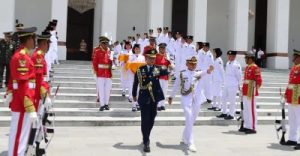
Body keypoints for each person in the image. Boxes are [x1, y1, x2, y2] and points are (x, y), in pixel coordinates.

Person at [169, 56, 214, 152]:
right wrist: (171, 96)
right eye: (191, 63)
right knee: (189, 117)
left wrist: (209, 69)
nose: (193, 65)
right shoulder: (182, 74)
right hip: (186, 98)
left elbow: (206, 72)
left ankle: (185, 137)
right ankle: (191, 142)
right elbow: (176, 85)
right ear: (186, 64)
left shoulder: (197, 73)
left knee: (192, 120)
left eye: (194, 64)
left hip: (196, 98)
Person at [6, 27, 38, 156]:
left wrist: (9, 91)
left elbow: (13, 79)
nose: (35, 41)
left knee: (21, 137)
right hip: (22, 103)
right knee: (18, 137)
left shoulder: (23, 56)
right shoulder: (21, 57)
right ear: (28, 39)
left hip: (23, 102)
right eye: (33, 39)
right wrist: (30, 107)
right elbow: (23, 84)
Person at [132, 49, 168, 153]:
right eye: (150, 58)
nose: (152, 60)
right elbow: (135, 83)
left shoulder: (156, 69)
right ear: (146, 59)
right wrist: (134, 94)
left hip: (154, 98)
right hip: (144, 98)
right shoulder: (140, 69)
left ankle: (146, 135)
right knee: (145, 119)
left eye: (153, 58)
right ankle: (146, 140)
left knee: (152, 118)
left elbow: (165, 71)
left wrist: (171, 66)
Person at [240, 52, 262, 134]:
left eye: (246, 58)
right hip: (246, 90)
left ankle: (252, 127)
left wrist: (254, 90)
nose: (245, 59)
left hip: (251, 91)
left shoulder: (255, 67)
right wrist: (243, 90)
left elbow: (259, 81)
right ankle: (247, 125)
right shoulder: (247, 68)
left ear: (250, 59)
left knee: (251, 110)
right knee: (246, 109)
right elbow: (245, 80)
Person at [216, 50, 242, 120]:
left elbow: (239, 76)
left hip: (233, 85)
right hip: (226, 84)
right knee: (223, 98)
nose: (229, 57)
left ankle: (231, 114)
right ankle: (224, 112)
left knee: (232, 100)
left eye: (231, 56)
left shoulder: (236, 65)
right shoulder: (228, 63)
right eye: (228, 56)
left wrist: (239, 84)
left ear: (234, 56)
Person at [31, 31, 51, 109]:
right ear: (44, 44)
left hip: (40, 92)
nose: (49, 46)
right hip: (38, 94)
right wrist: (45, 94)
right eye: (48, 44)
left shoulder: (41, 55)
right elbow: (39, 79)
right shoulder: (38, 56)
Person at [92, 36, 113, 111]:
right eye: (103, 43)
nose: (105, 45)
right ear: (101, 44)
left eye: (106, 44)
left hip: (108, 73)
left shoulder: (109, 52)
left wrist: (112, 63)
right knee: (101, 90)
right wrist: (97, 71)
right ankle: (102, 105)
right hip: (100, 73)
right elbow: (94, 63)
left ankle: (106, 104)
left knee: (107, 90)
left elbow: (111, 62)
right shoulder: (97, 52)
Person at [285, 49, 300, 149]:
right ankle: (292, 138)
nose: (293, 58)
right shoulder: (294, 68)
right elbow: (290, 82)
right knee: (292, 119)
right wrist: (286, 93)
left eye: (294, 57)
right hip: (292, 96)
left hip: (298, 96)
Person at [127, 44, 145, 111]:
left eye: (138, 49)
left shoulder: (142, 57)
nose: (137, 50)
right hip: (132, 75)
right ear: (134, 49)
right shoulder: (130, 56)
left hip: (140, 75)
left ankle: (138, 103)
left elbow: (144, 65)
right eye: (136, 48)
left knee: (139, 90)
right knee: (133, 89)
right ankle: (133, 105)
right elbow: (128, 64)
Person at [155, 43, 172, 111]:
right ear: (159, 49)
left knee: (164, 91)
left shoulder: (167, 56)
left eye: (164, 48)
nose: (163, 49)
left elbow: (170, 65)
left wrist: (170, 68)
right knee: (159, 91)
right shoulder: (156, 56)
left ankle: (162, 105)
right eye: (161, 48)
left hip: (165, 76)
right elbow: (154, 65)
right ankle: (158, 105)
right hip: (159, 76)